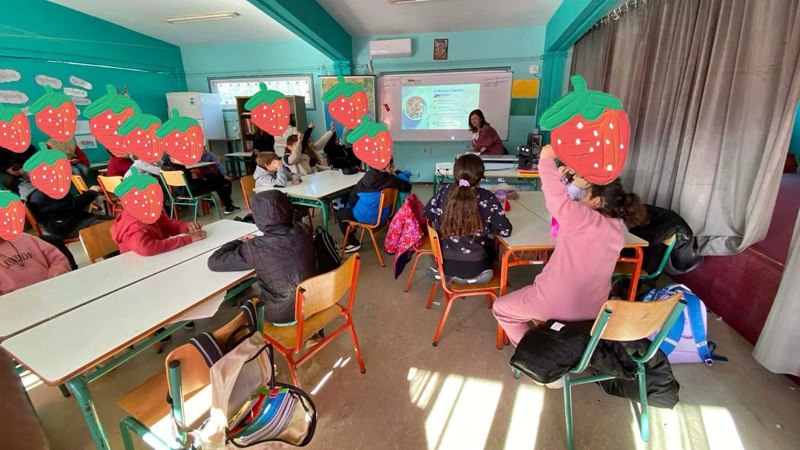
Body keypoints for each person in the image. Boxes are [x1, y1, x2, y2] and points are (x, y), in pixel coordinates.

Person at [492, 145, 646, 346]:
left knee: (501, 308)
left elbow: (557, 199)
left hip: (555, 302)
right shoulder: (618, 229)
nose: (581, 197)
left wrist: (546, 160)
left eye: (585, 194)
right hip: (594, 309)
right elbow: (567, 206)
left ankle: (532, 351)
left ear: (596, 200)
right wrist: (568, 181)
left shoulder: (582, 219)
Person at [208, 190, 316, 325]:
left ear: (258, 217)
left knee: (247, 303)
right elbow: (281, 241)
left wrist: (240, 241)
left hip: (284, 314)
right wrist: (259, 241)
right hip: (315, 301)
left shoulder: (256, 247)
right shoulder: (304, 229)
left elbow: (214, 262)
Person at [423, 154, 512, 284]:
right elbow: (505, 230)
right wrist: (486, 227)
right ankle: (473, 278)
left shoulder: (443, 192)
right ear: (480, 176)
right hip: (477, 265)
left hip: (444, 262)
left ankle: (446, 275)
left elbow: (427, 214)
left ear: (455, 174)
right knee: (490, 247)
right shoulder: (487, 198)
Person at [336, 158, 412, 253]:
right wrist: (398, 174)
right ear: (382, 168)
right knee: (350, 202)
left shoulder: (365, 180)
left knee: (340, 213)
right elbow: (407, 186)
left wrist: (348, 207)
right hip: (383, 216)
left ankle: (353, 243)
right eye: (390, 163)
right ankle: (353, 229)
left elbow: (352, 198)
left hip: (366, 217)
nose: (392, 165)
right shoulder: (392, 180)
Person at [24, 179, 114, 239]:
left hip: (71, 220)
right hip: (66, 226)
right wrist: (92, 192)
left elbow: (71, 205)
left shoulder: (44, 188)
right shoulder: (41, 195)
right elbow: (73, 205)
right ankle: (111, 256)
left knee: (118, 222)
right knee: (109, 228)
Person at [162, 157, 241, 214]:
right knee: (220, 181)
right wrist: (201, 180)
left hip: (178, 192)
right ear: (172, 158)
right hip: (191, 191)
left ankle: (227, 204)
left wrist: (201, 179)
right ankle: (229, 206)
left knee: (215, 178)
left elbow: (189, 179)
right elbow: (191, 181)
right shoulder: (178, 169)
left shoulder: (165, 168)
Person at [111, 209, 205, 257]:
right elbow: (147, 248)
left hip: (159, 260)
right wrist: (188, 238)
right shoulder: (135, 226)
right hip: (142, 272)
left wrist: (186, 227)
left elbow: (168, 224)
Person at [0, 233, 71, 294]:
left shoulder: (25, 238)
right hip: (18, 301)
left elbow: (58, 259)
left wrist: (53, 279)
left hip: (55, 288)